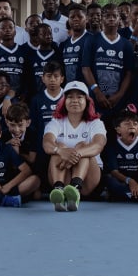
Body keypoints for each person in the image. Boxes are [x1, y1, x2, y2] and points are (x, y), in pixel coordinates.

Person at [42, 80, 106, 211]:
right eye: (70, 97)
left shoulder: (96, 122)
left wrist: (76, 153)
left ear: (87, 101)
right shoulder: (56, 122)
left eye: (79, 97)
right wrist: (60, 151)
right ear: (64, 101)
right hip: (63, 174)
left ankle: (75, 188)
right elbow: (47, 144)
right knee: (58, 147)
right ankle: (59, 189)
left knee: (83, 145)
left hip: (89, 179)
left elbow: (98, 145)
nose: (74, 100)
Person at [102, 109, 138, 203]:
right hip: (124, 181)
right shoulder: (111, 146)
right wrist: (130, 181)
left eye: (135, 124)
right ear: (118, 129)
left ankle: (128, 195)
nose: (132, 126)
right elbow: (114, 172)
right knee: (110, 182)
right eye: (127, 124)